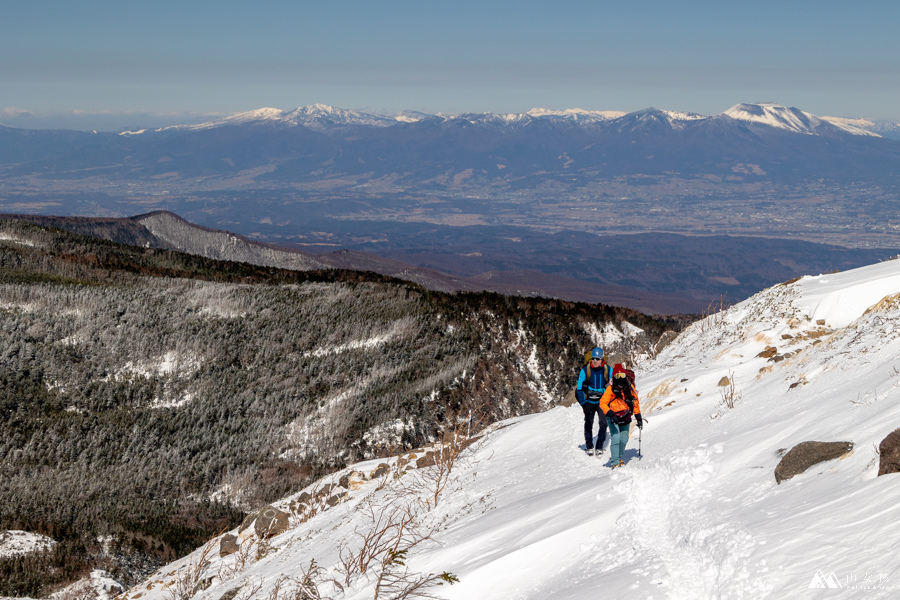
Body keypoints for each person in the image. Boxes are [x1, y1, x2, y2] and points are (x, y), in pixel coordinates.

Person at [600, 363, 642, 468]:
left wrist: (638, 417)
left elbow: (635, 402)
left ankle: (619, 458)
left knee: (624, 439)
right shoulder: (610, 388)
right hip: (612, 417)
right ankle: (615, 462)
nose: (620, 378)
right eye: (618, 376)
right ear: (614, 377)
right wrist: (609, 413)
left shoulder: (629, 387)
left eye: (622, 376)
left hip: (625, 416)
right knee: (616, 437)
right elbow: (603, 403)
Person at [575, 347, 613, 456]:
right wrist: (583, 404)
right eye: (593, 359)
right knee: (588, 424)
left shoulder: (608, 370)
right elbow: (579, 389)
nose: (595, 361)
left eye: (597, 359)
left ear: (602, 359)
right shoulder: (585, 371)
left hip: (602, 402)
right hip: (589, 402)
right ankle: (589, 446)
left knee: (603, 424)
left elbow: (612, 387)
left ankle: (599, 446)